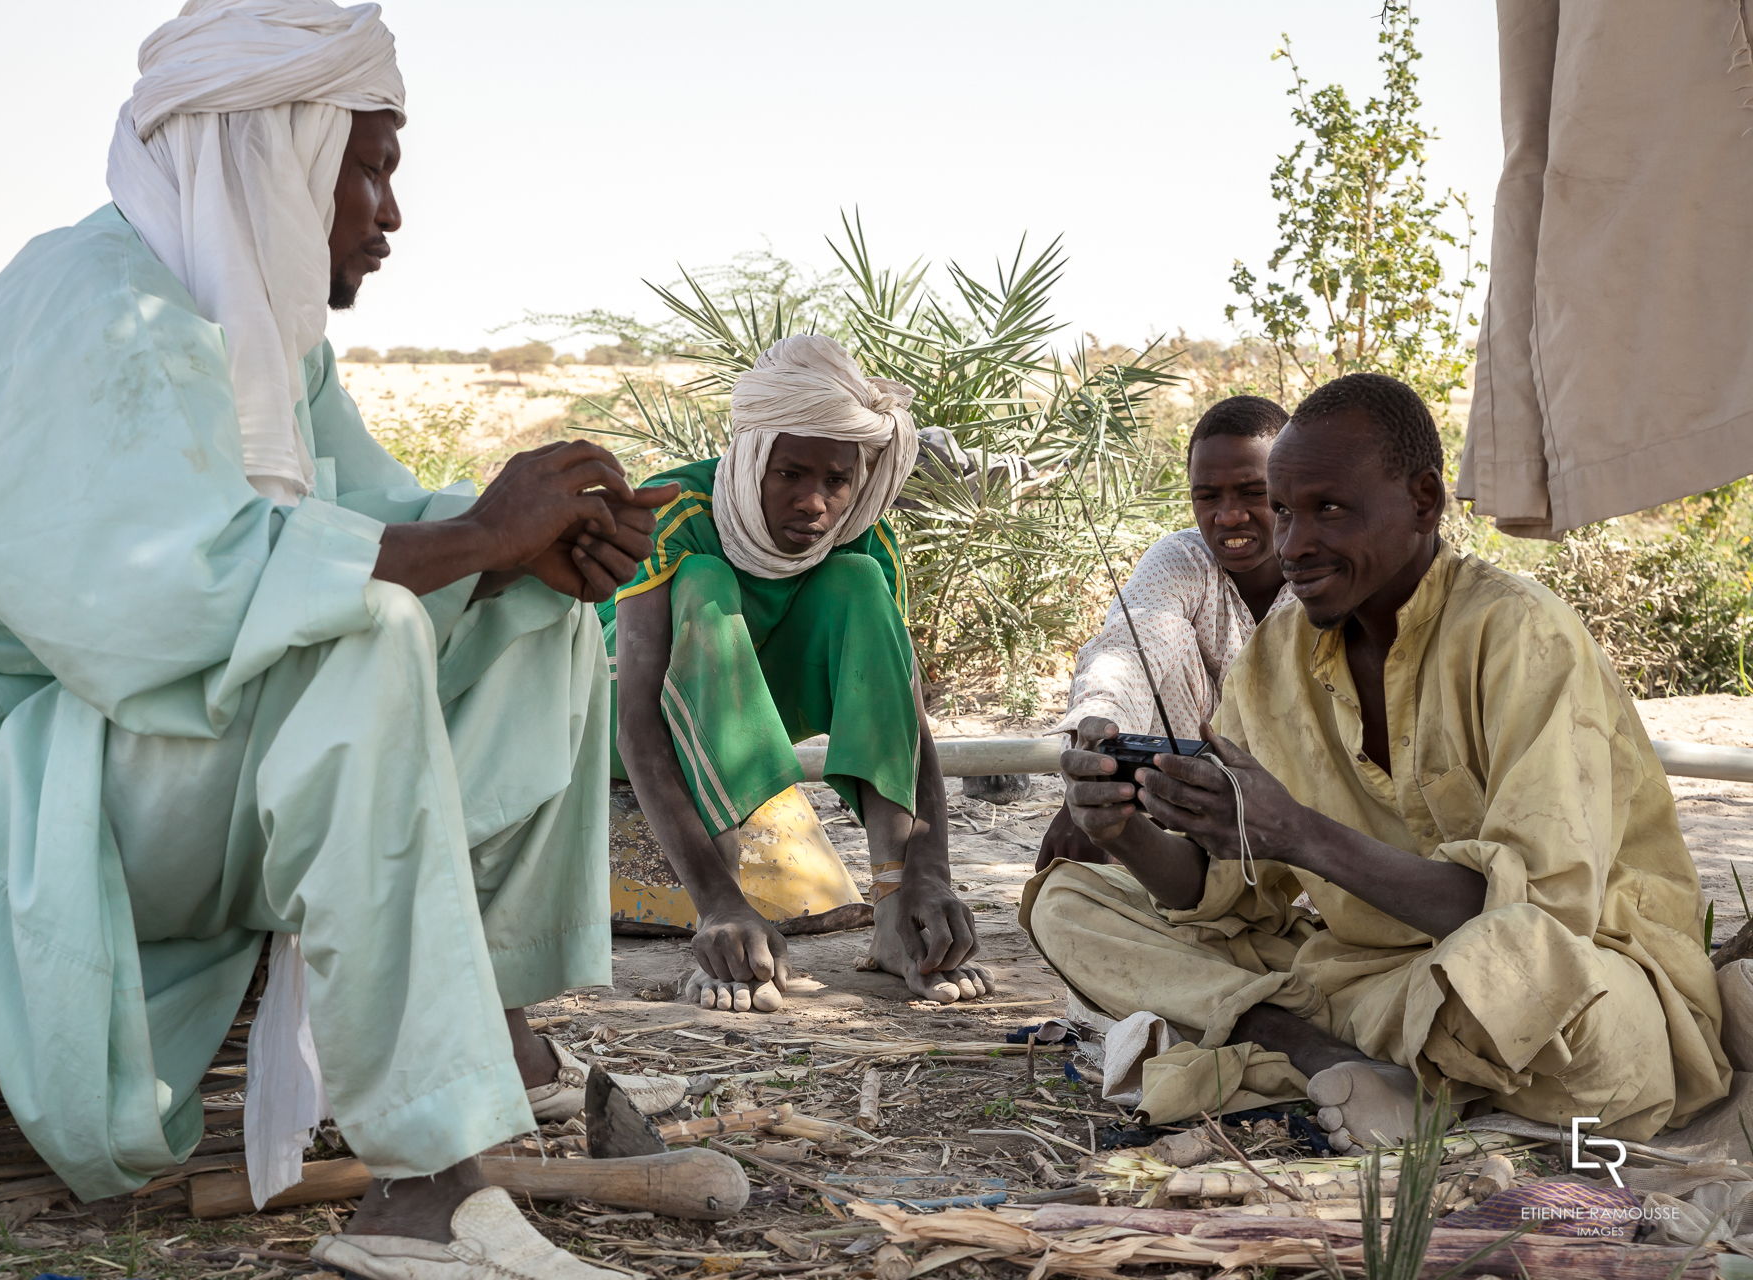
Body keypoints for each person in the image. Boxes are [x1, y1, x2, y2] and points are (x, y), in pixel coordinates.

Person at [0, 3, 680, 1275]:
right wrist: (474, 539)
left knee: (530, 612)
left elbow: (365, 512)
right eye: (372, 165)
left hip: (132, 758)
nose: (388, 213)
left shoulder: (269, 340)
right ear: (277, 150)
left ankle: (486, 1031)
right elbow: (164, 600)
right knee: (368, 632)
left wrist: (528, 541)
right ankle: (422, 1185)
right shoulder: (81, 316)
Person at [1022, 373, 1730, 1151]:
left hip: (1546, 983)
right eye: (1285, 512)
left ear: (1424, 501)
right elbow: (1223, 894)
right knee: (1071, 900)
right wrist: (1123, 829)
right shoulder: (1275, 659)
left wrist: (1301, 834)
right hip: (1359, 983)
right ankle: (1325, 1056)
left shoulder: (1522, 636)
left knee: (1554, 998)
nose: (1291, 546)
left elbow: (1539, 918)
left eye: (1328, 509)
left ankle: (1311, 1050)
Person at [601, 335, 994, 1014]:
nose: (815, 502)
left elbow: (905, 714)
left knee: (859, 580)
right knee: (704, 581)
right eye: (790, 475)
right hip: (614, 718)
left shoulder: (863, 539)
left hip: (760, 716)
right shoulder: (677, 510)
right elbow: (636, 716)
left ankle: (895, 914)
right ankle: (722, 919)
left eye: (837, 481)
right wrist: (721, 904)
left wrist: (930, 873)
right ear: (752, 459)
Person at [1039, 395, 1293, 869]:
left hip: (1298, 813)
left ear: (1288, 488)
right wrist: (1095, 769)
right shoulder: (1182, 558)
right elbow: (1130, 652)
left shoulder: (1323, 572)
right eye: (1208, 496)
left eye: (1252, 492)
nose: (1229, 515)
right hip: (1181, 803)